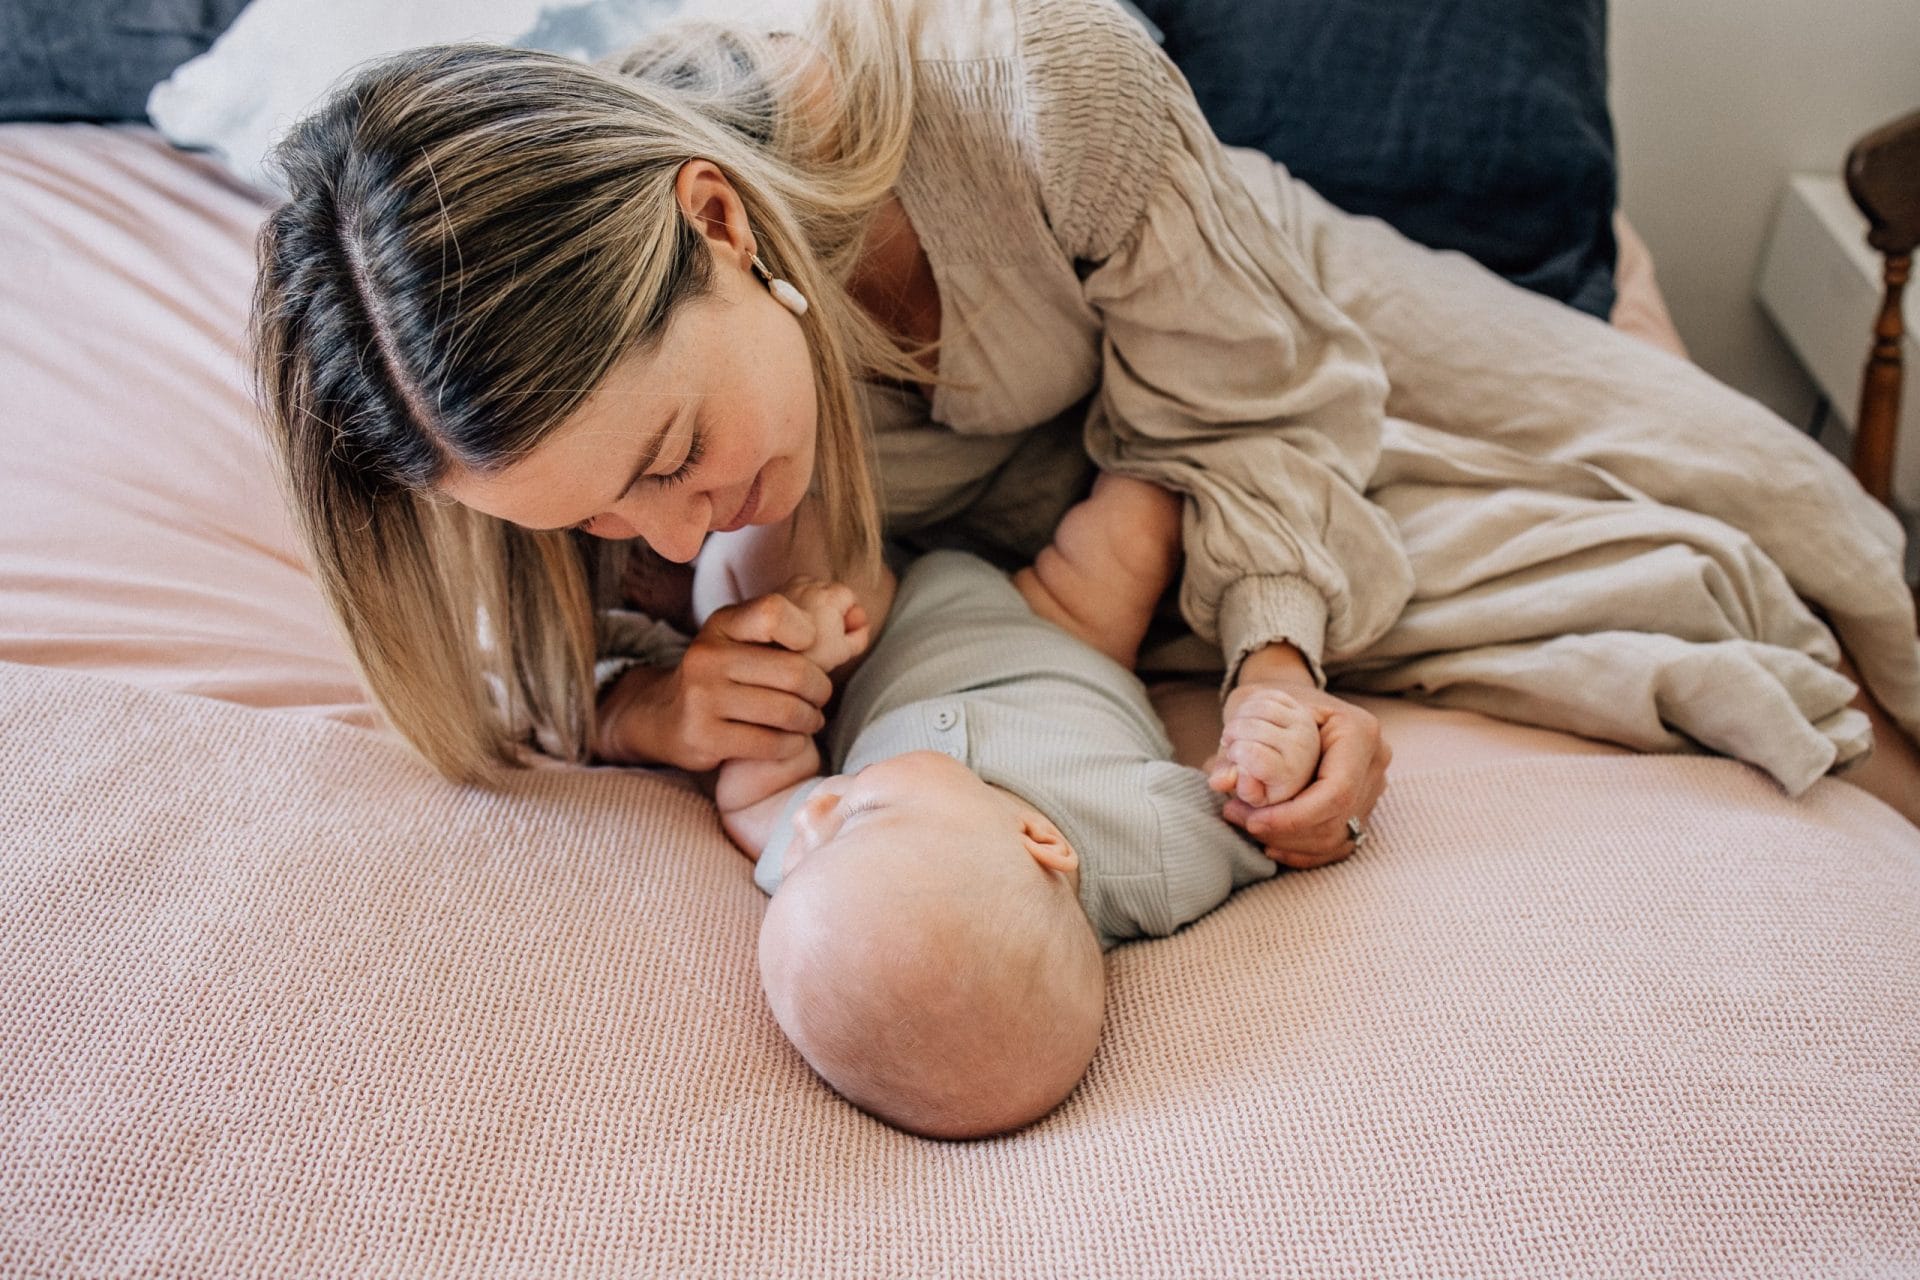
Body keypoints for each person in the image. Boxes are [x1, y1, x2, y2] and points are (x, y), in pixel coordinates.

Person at [248, 0, 1920, 842]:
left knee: (1795, 509)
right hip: (1052, 521)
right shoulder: (467, 393)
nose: (674, 541)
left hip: (1231, 325)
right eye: (608, 524)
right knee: (1642, 602)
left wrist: (1275, 664)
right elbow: (479, 661)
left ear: (723, 222)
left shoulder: (1035, 77)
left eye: (675, 461)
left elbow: (1261, 405)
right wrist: (648, 712)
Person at [708, 474, 1321, 1140]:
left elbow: (758, 795)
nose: (812, 812)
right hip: (1071, 628)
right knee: (1140, 521)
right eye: (857, 815)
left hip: (885, 634)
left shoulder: (824, 889)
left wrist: (803, 667)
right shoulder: (1151, 851)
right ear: (1042, 842)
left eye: (803, 852)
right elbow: (1260, 822)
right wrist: (1270, 760)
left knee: (764, 547)